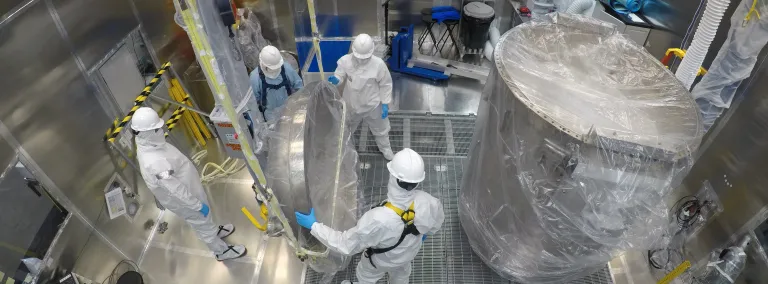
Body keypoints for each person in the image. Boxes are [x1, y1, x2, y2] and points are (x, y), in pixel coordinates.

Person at [295, 148, 444, 284]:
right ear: (418, 181)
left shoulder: (377, 219)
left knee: (366, 277)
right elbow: (436, 224)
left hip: (379, 262)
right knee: (401, 276)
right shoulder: (430, 202)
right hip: (407, 257)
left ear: (393, 177)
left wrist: (314, 226)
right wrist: (423, 235)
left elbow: (345, 245)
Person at [131, 107, 246, 261]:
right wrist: (196, 205)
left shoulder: (150, 144)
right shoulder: (154, 162)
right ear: (145, 133)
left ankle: (214, 231)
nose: (161, 130)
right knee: (201, 223)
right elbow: (174, 190)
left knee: (205, 220)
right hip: (186, 200)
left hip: (191, 190)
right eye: (156, 129)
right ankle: (221, 251)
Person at [328, 33, 395, 160]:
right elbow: (340, 74)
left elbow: (385, 84)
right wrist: (336, 79)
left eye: (365, 57)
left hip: (373, 105)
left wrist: (385, 103)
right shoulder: (346, 61)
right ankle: (343, 150)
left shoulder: (379, 65)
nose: (361, 60)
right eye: (359, 56)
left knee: (381, 130)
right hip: (352, 104)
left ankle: (386, 149)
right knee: (347, 128)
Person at [249, 45, 303, 122]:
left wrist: (300, 106)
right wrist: (259, 123)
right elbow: (253, 103)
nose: (275, 70)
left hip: (291, 111)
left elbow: (300, 87)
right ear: (263, 64)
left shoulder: (287, 68)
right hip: (271, 117)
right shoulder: (255, 77)